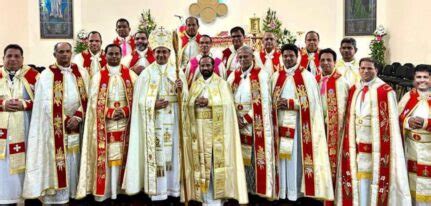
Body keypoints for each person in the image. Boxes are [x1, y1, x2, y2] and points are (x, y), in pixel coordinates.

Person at [123, 27, 188, 203]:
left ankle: (173, 189)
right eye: (158, 51)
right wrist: (152, 104)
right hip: (154, 122)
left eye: (164, 52)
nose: (161, 55)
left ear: (169, 53)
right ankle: (157, 190)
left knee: (174, 154)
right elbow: (138, 101)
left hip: (173, 120)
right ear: (154, 52)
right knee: (157, 154)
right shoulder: (146, 73)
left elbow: (186, 100)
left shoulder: (177, 72)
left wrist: (181, 90)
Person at [336, 57, 411, 205]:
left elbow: (391, 126)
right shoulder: (354, 89)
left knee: (373, 178)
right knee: (358, 179)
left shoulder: (386, 91)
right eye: (363, 68)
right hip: (355, 144)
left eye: (370, 68)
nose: (366, 71)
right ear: (359, 70)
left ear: (376, 70)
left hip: (375, 147)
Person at [23, 42, 89, 204]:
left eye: (67, 51)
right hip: (56, 127)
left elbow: (89, 97)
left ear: (72, 53)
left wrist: (78, 117)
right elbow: (45, 103)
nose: (65, 55)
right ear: (55, 54)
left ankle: (76, 192)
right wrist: (66, 120)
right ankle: (59, 197)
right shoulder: (46, 75)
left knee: (77, 158)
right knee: (61, 160)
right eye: (61, 52)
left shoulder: (81, 72)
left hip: (78, 126)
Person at [182, 55, 248, 205]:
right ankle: (203, 197)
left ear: (213, 66)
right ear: (199, 67)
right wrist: (193, 103)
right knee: (201, 163)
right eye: (202, 66)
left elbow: (228, 106)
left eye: (208, 65)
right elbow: (188, 105)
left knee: (213, 163)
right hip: (198, 130)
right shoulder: (195, 84)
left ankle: (216, 199)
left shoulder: (222, 84)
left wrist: (209, 102)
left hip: (215, 131)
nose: (205, 68)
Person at [271, 44, 333, 202]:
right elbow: (268, 100)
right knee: (281, 158)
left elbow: (313, 104)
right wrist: (275, 104)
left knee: (295, 158)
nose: (288, 58)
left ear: (297, 56)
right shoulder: (275, 76)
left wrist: (292, 103)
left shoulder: (307, 76)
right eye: (285, 56)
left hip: (299, 125)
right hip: (279, 123)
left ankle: (295, 191)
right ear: (281, 57)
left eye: (291, 55)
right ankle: (282, 190)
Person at [76, 44, 137, 201]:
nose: (115, 56)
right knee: (107, 157)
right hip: (105, 125)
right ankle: (107, 191)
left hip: (125, 123)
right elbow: (92, 104)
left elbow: (137, 101)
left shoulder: (130, 75)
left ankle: (122, 190)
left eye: (117, 54)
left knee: (124, 155)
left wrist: (124, 111)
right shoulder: (97, 77)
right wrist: (109, 112)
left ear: (120, 55)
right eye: (111, 54)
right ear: (106, 55)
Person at [227, 45, 276, 202]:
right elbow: (227, 98)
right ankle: (243, 190)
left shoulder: (260, 75)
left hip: (254, 124)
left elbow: (263, 102)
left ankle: (256, 192)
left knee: (254, 159)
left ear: (252, 58)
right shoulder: (233, 76)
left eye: (245, 57)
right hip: (236, 123)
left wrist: (246, 119)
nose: (242, 60)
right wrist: (235, 117)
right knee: (240, 158)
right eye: (240, 57)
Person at [0, 44, 39, 204]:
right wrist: (2, 104)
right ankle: (5, 199)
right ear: (3, 59)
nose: (13, 59)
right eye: (9, 56)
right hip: (3, 136)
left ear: (23, 59)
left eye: (17, 56)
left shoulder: (32, 75)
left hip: (26, 131)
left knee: (28, 166)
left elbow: (44, 100)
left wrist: (25, 104)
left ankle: (30, 197)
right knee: (3, 170)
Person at [318, 48, 349, 205]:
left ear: (334, 62)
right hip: (319, 129)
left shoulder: (340, 82)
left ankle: (334, 198)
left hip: (334, 131)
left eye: (329, 60)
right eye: (322, 60)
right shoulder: (317, 80)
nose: (325, 63)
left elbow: (342, 110)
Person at [398, 65, 431, 206]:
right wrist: (407, 121)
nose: (422, 80)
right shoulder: (408, 96)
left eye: (425, 77)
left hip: (429, 150)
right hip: (411, 149)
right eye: (418, 77)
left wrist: (425, 123)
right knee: (412, 183)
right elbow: (397, 118)